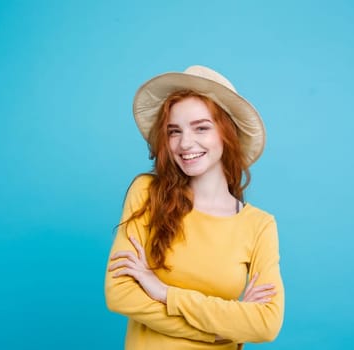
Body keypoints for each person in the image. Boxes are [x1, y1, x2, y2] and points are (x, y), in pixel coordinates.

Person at [104, 65, 284, 349]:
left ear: (227, 134)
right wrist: (220, 331)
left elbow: (265, 323)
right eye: (174, 131)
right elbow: (120, 294)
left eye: (201, 127)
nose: (185, 143)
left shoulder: (259, 225)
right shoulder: (147, 194)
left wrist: (164, 292)